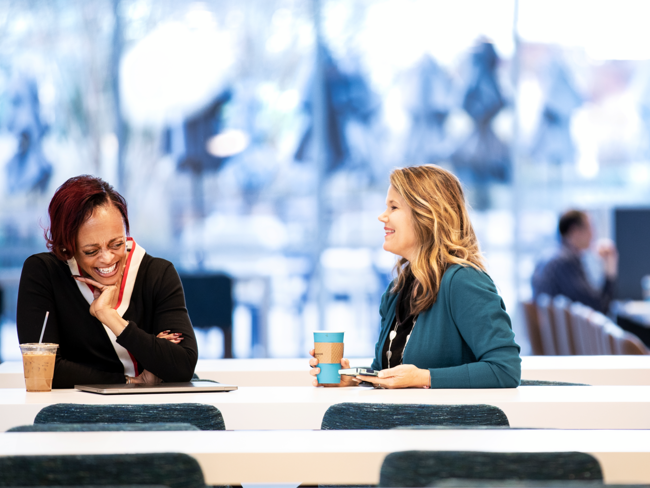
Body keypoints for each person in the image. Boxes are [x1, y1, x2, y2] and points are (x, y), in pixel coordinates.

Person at [309, 165, 521, 389]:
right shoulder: (396, 291)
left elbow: (505, 370)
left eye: (393, 207)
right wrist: (353, 379)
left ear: (426, 216)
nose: (382, 216)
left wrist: (423, 377)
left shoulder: (463, 281)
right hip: (403, 422)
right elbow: (389, 372)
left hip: (449, 424)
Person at [17, 175, 198, 388]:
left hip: (155, 412)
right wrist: (132, 380)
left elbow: (182, 365)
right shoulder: (44, 273)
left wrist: (110, 317)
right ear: (68, 246)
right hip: (76, 412)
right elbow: (44, 370)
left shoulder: (157, 273)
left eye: (116, 244)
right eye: (91, 250)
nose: (107, 258)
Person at [531, 210, 618, 314]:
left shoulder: (548, 258)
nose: (593, 234)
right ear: (575, 231)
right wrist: (609, 269)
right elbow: (598, 307)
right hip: (562, 330)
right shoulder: (565, 262)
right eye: (590, 228)